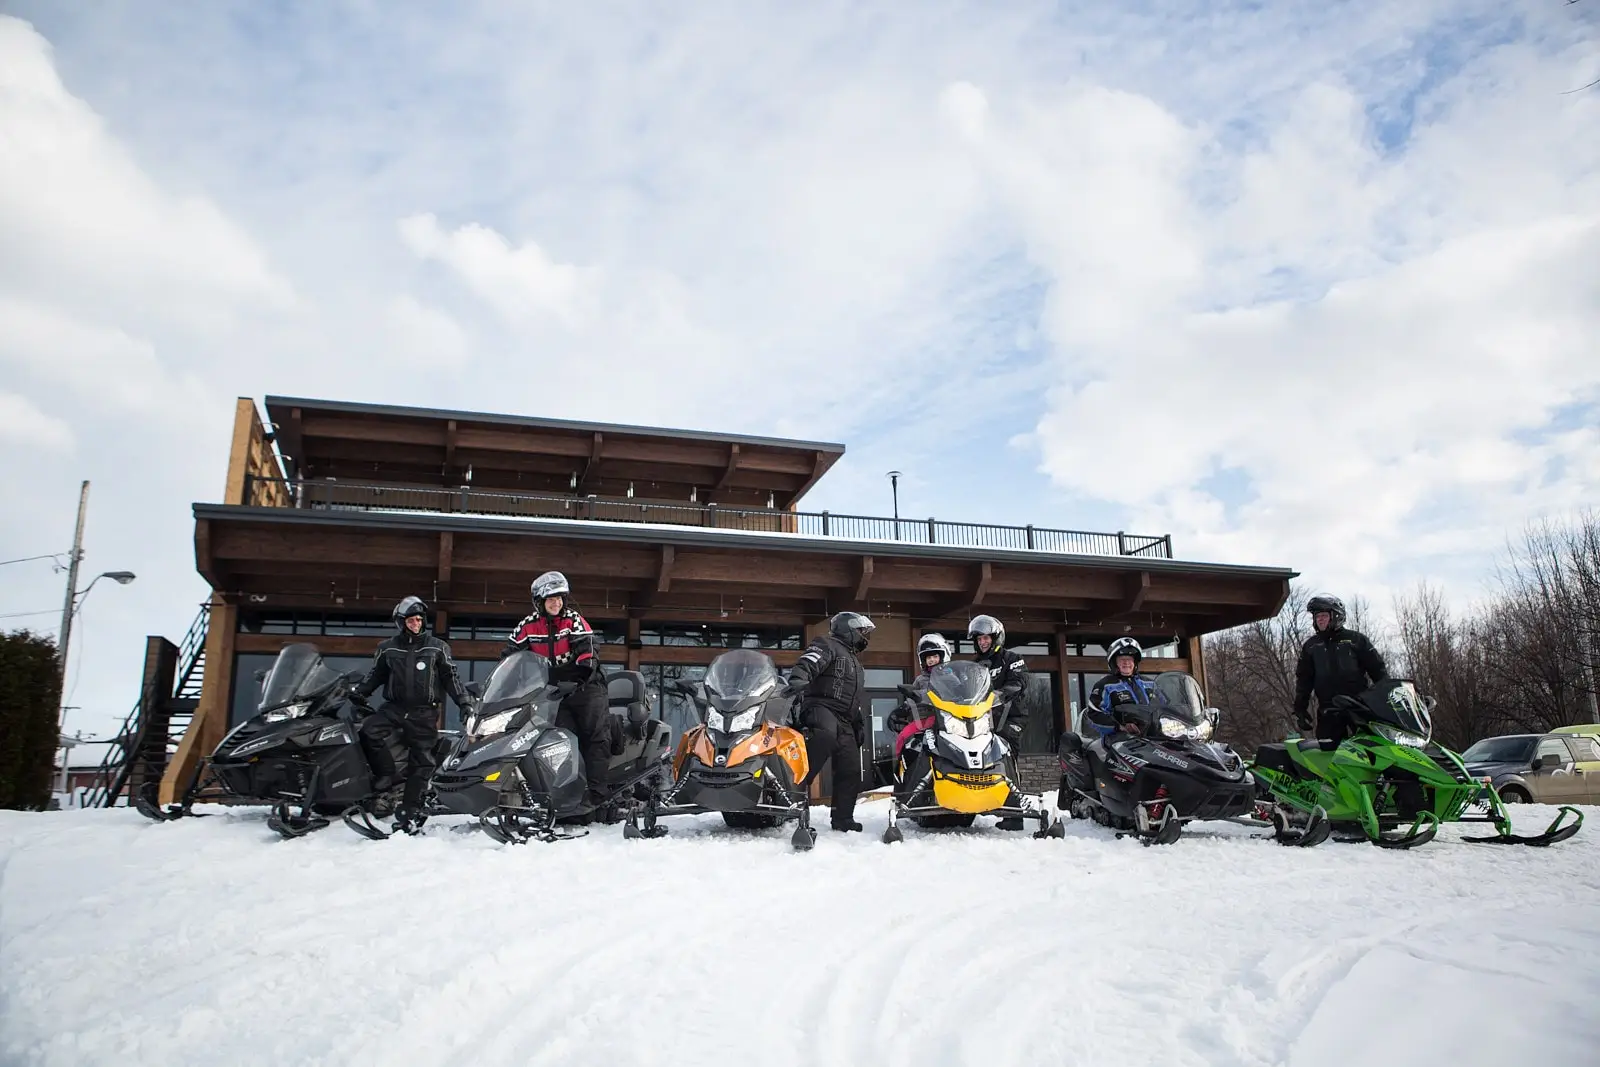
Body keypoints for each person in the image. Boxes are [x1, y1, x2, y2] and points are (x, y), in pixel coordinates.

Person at [355, 596, 471, 834]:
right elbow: (375, 676)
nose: (416, 624)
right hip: (393, 708)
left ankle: (409, 812)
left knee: (422, 761)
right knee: (368, 731)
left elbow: (452, 678)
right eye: (411, 620)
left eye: (419, 620)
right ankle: (386, 775)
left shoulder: (437, 647)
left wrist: (464, 703)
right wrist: (358, 694)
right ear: (401, 622)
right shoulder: (387, 648)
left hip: (424, 712)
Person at [507, 570, 612, 817]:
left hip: (586, 687)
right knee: (561, 742)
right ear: (539, 602)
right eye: (551, 599)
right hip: (553, 693)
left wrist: (576, 677)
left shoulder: (574, 621)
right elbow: (511, 655)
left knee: (594, 736)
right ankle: (566, 796)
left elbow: (588, 653)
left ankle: (598, 796)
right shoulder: (527, 626)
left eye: (560, 598)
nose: (557, 603)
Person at [784, 611, 875, 832]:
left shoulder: (856, 662)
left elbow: (854, 698)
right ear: (848, 629)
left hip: (846, 718)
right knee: (822, 739)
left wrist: (858, 724)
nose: (865, 636)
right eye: (861, 632)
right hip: (820, 707)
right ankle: (790, 801)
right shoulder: (826, 644)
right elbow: (808, 662)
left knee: (851, 767)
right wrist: (798, 679)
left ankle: (843, 819)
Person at [1059, 637, 1155, 807]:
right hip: (1119, 737)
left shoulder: (1150, 684)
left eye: (1130, 659)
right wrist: (1120, 726)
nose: (1126, 663)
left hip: (1153, 735)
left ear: (1136, 662)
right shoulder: (1105, 685)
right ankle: (1121, 799)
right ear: (1114, 663)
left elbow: (1167, 705)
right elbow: (1094, 713)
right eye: (1122, 660)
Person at [1293, 595, 1388, 744]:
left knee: (1370, 748)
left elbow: (1378, 671)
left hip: (1359, 708)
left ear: (1336, 616)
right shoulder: (1311, 646)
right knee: (1327, 754)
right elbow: (1304, 680)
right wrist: (1300, 708)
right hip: (1328, 710)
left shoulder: (1356, 640)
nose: (1320, 619)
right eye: (1317, 616)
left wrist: (1387, 698)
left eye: (1324, 615)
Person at [886, 633, 952, 800]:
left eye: (935, 656)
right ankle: (901, 772)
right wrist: (902, 709)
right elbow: (911, 698)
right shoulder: (921, 679)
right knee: (903, 736)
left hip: (949, 719)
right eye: (928, 657)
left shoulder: (952, 677)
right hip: (923, 720)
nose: (931, 660)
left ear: (943, 656)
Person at [967, 615, 1029, 747]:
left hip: (1010, 716)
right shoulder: (974, 665)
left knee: (1004, 743)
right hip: (981, 718)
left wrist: (998, 695)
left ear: (995, 638)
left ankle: (1012, 767)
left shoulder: (1012, 658)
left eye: (986, 638)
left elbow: (1018, 683)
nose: (982, 642)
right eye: (979, 639)